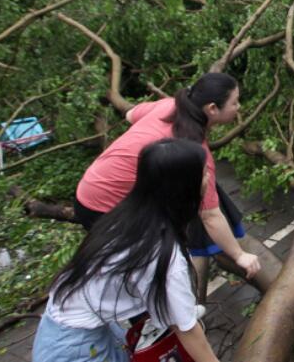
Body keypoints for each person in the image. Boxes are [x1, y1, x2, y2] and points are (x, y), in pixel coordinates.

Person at [33, 138, 222, 362]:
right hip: (76, 347)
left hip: (62, 326)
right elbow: (187, 330)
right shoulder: (164, 255)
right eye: (202, 174)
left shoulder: (128, 216)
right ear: (184, 188)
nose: (208, 177)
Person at [75, 73, 261, 280]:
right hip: (103, 210)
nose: (239, 107)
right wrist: (239, 255)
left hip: (89, 182)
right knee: (157, 258)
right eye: (234, 102)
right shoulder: (194, 152)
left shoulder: (168, 105)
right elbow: (210, 216)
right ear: (212, 109)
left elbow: (131, 115)